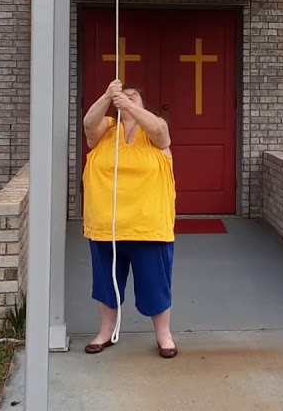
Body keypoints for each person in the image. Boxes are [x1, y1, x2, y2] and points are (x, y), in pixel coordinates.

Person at [81, 79, 177, 358]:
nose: (127, 97)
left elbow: (160, 131)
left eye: (134, 95)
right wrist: (107, 96)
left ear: (144, 104)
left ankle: (164, 335)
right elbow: (88, 125)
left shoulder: (155, 130)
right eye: (124, 95)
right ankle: (105, 332)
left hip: (148, 226)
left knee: (155, 284)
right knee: (106, 284)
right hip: (106, 226)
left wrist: (131, 107)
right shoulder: (106, 129)